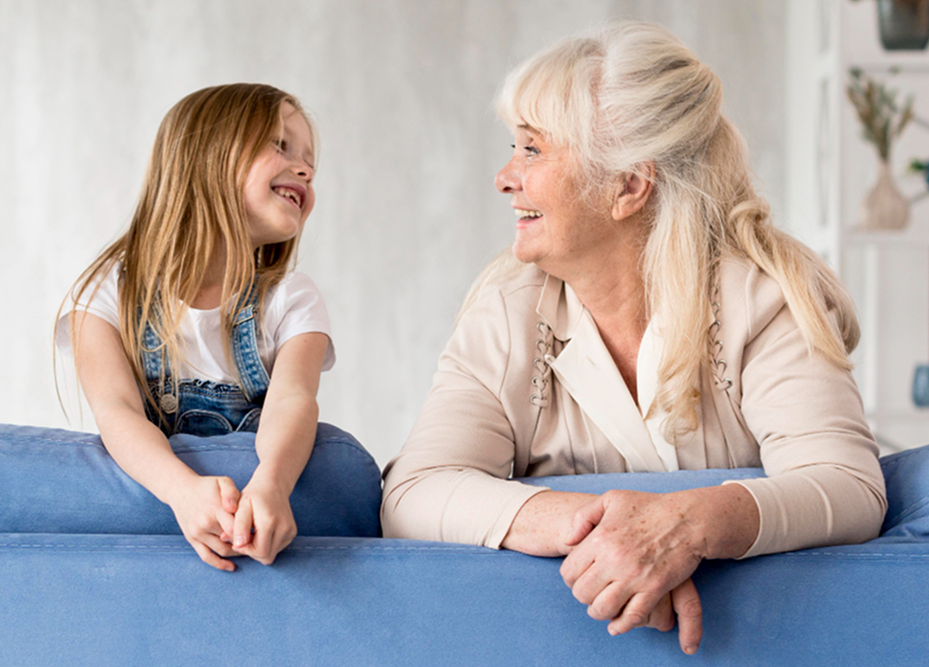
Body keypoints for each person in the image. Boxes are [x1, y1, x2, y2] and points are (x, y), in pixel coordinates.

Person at [381, 22, 886, 655]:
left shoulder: (763, 297)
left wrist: (687, 527)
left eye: (533, 150)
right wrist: (604, 532)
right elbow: (411, 494)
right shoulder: (506, 309)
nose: (505, 177)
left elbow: (848, 487)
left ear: (628, 186)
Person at [57, 84, 335, 572]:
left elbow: (294, 399)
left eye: (310, 159)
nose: (306, 169)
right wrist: (183, 492)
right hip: (163, 491)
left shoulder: (291, 297)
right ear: (204, 157)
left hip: (251, 507)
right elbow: (116, 409)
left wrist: (271, 484)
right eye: (280, 144)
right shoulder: (107, 290)